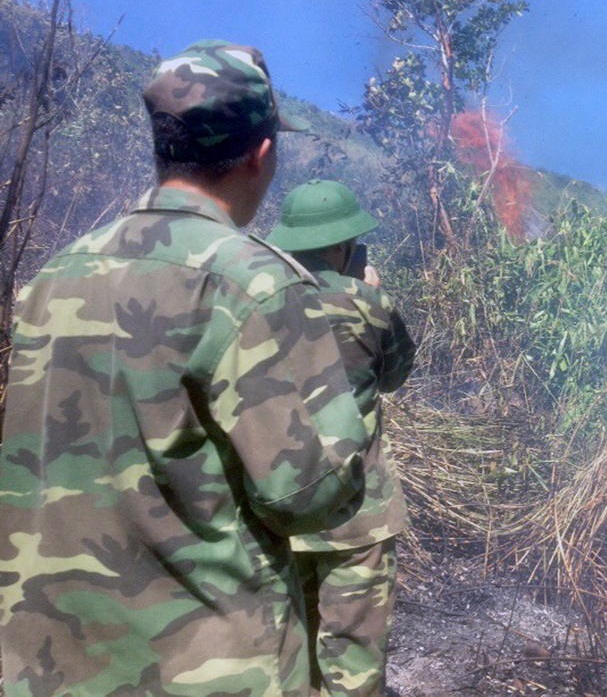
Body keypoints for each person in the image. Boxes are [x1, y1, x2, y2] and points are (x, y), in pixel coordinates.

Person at [0, 40, 368, 697]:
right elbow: (311, 496)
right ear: (262, 156)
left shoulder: (54, 279)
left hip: (45, 660)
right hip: (206, 669)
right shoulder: (254, 283)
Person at [266, 180, 416, 697]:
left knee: (286, 655)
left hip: (277, 507)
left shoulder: (259, 302)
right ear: (344, 245)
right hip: (358, 511)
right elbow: (395, 375)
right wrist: (369, 292)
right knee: (353, 659)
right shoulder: (371, 304)